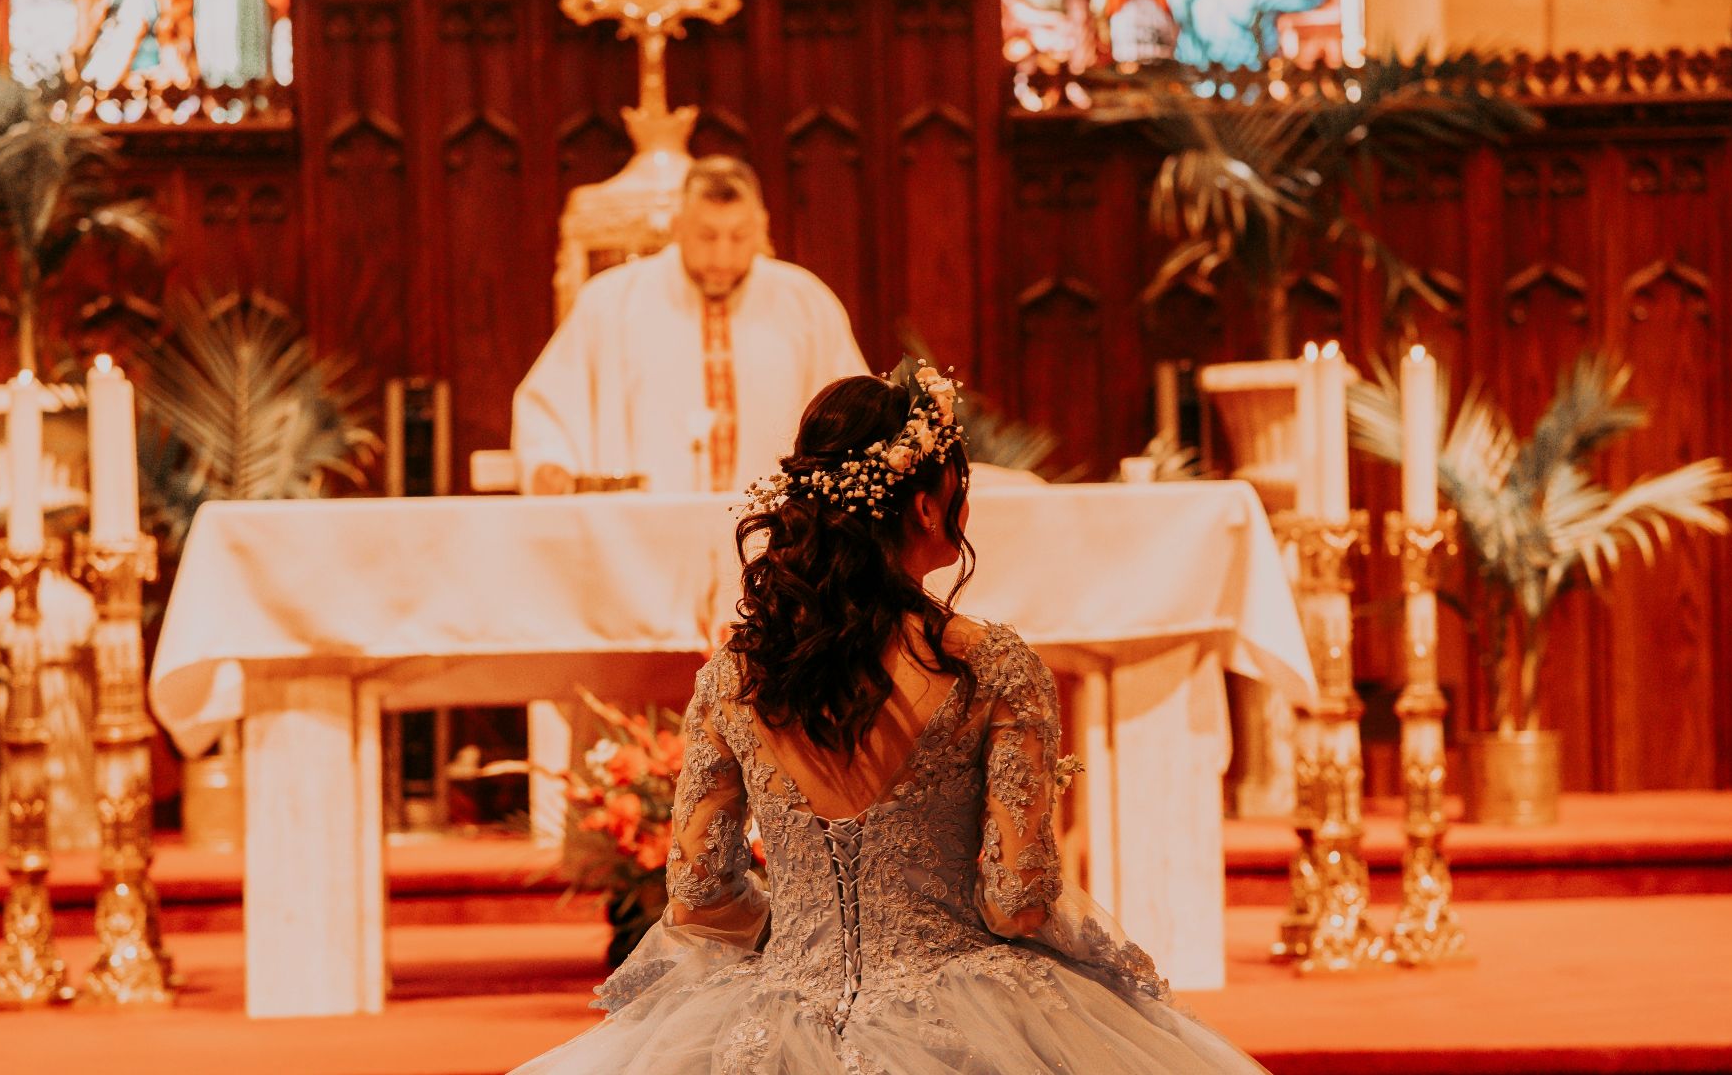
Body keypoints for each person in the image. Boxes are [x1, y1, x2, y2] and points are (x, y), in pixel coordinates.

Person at [511, 369, 1269, 1073]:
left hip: (774, 1006)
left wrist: (808, 933)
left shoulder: (733, 678)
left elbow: (699, 898)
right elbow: (1018, 901)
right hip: (966, 1013)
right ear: (928, 505)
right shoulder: (991, 668)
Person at [513, 156, 869, 495]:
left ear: (762, 226)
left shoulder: (805, 303)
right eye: (707, 236)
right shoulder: (609, 303)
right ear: (677, 227)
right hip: (642, 534)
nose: (722, 256)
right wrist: (549, 462)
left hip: (781, 534)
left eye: (739, 236)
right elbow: (548, 405)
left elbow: (852, 412)